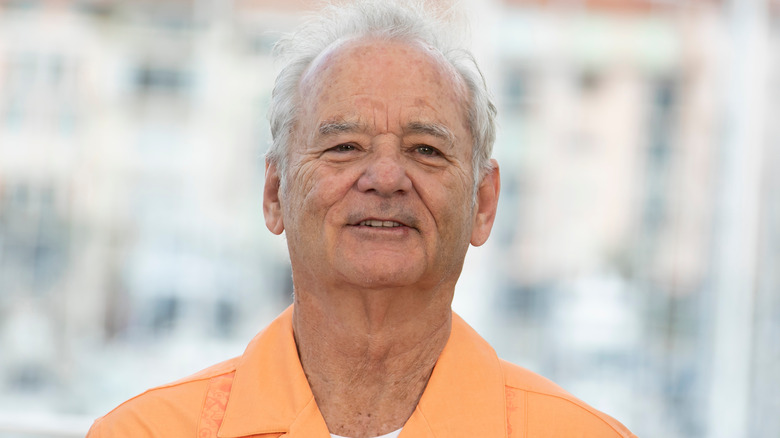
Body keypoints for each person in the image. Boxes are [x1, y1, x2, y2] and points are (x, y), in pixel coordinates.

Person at [87, 1, 636, 437]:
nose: (386, 177)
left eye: (426, 150)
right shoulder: (145, 433)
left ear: (484, 203)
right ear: (275, 192)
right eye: (345, 146)